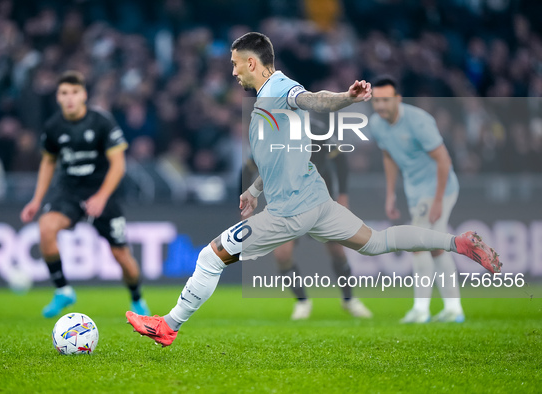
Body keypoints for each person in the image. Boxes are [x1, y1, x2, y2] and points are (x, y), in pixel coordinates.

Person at [126, 32, 501, 347]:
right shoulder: (266, 101)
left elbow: (315, 99)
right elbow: (278, 156)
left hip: (290, 211)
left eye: (235, 63)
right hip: (317, 201)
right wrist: (255, 190)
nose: (233, 70)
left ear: (252, 63)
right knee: (376, 243)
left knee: (211, 258)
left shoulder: (280, 88)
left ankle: (168, 326)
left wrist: (346, 98)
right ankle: (459, 243)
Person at [20, 70, 150, 318]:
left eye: (74, 92)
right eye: (64, 93)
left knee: (121, 255)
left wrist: (101, 197)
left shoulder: (102, 122)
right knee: (46, 227)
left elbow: (118, 164)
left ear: (84, 95)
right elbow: (48, 163)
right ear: (58, 97)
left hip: (103, 193)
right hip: (69, 192)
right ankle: (63, 291)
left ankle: (137, 297)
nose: (69, 98)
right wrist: (36, 200)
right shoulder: (53, 126)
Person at [245, 116, 372, 320]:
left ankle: (349, 299)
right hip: (287, 203)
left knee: (337, 250)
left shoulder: (317, 129)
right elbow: (248, 168)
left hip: (320, 199)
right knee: (282, 255)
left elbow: (340, 160)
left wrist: (343, 195)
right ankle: (302, 302)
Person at [369, 77, 464, 323]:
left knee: (418, 243)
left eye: (385, 100)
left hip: (438, 189)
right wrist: (391, 194)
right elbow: (389, 156)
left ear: (398, 99)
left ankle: (421, 310)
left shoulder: (419, 121)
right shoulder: (376, 125)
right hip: (416, 192)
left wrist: (438, 201)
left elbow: (444, 160)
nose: (380, 106)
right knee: (436, 247)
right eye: (376, 100)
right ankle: (454, 309)